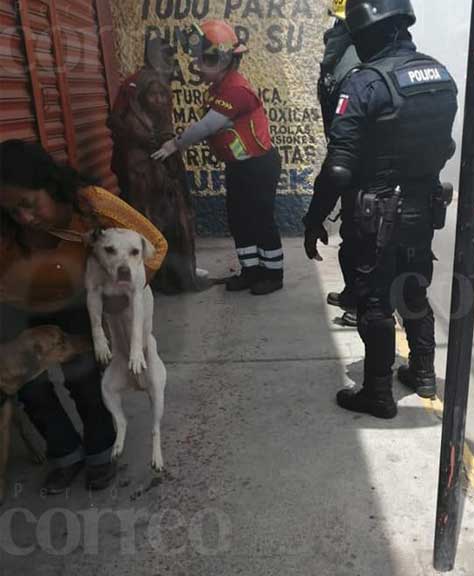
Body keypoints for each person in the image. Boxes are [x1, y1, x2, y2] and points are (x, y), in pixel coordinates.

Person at [303, 0, 458, 419]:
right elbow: (446, 146)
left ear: (371, 32)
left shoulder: (364, 84)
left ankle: (377, 393)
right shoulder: (441, 75)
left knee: (375, 302)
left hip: (375, 215)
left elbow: (338, 169)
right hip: (421, 209)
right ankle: (423, 374)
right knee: (413, 288)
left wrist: (314, 217)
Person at [0, 139, 167, 493]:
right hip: (24, 303)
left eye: (29, 205)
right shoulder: (9, 226)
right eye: (14, 211)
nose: (25, 218)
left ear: (48, 183)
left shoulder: (92, 203)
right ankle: (64, 454)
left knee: (84, 378)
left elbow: (156, 247)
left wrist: (124, 296)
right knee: (31, 387)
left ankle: (100, 452)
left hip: (80, 298)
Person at [152, 20, 284, 296]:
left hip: (258, 166)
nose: (197, 66)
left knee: (260, 219)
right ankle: (250, 271)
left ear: (221, 60)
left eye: (202, 61)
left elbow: (207, 127)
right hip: (240, 166)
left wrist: (174, 145)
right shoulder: (220, 87)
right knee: (239, 219)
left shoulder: (235, 90)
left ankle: (272, 274)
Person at [109, 38, 208, 294]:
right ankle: (165, 278)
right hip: (145, 168)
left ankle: (163, 278)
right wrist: (151, 143)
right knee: (161, 222)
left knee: (158, 222)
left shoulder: (137, 82)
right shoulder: (141, 83)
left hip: (148, 166)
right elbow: (119, 123)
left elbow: (118, 122)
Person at [318, 0, 361, 326]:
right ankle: (353, 294)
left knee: (362, 236)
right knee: (352, 231)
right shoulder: (344, 48)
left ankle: (361, 303)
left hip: (360, 159)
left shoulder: (355, 56)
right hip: (348, 151)